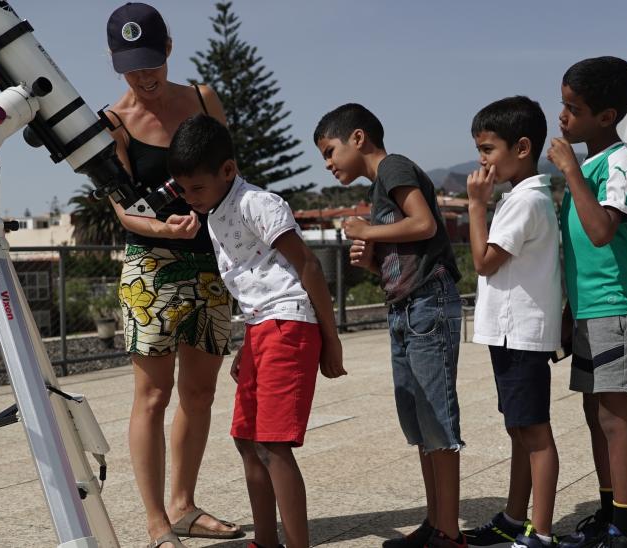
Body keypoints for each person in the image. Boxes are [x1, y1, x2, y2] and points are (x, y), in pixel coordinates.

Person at [168, 113, 347, 548]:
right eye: (184, 190)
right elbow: (251, 288)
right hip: (261, 327)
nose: (191, 199)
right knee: (246, 440)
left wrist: (331, 339)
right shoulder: (213, 215)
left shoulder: (257, 204)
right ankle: (265, 541)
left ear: (227, 171)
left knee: (273, 445)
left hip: (289, 324)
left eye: (198, 188)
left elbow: (307, 264)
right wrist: (247, 344)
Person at [104, 4, 239, 545]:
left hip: (209, 261)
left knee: (200, 394)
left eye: (149, 60)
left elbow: (230, 170)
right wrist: (166, 232)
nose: (143, 75)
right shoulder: (113, 123)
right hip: (151, 268)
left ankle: (184, 505)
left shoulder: (205, 99)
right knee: (153, 396)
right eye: (130, 65)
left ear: (168, 48)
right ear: (116, 63)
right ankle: (156, 521)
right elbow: (119, 206)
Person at [314, 104, 467, 548]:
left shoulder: (394, 167)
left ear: (357, 138)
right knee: (419, 421)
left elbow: (423, 223)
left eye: (329, 151)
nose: (327, 164)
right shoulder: (382, 187)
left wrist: (366, 229)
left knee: (436, 417)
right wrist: (372, 262)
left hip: (427, 304)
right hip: (405, 307)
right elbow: (405, 254)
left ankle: (450, 532)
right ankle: (436, 522)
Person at [547, 57, 627, 548]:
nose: (563, 117)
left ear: (607, 116)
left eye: (574, 109)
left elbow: (599, 232)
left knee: (615, 418)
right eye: (562, 106)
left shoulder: (620, 161)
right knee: (596, 415)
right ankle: (612, 509)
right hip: (592, 309)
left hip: (619, 305)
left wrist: (571, 172)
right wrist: (570, 310)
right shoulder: (591, 162)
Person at [463, 96, 563, 548]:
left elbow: (483, 261)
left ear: (522, 147)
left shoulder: (525, 202)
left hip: (520, 333)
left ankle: (539, 531)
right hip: (511, 332)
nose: (482, 159)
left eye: (488, 149)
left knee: (534, 432)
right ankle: (514, 516)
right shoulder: (520, 197)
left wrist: (475, 206)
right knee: (518, 427)